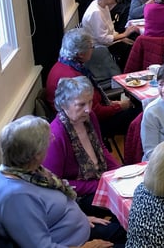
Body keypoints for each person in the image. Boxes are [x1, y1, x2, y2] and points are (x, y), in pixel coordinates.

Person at [0, 115, 126, 248]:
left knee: (131, 231)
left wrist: (82, 219)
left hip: (80, 230)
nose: (52, 140)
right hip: (75, 244)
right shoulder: (17, 197)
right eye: (48, 140)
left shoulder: (23, 169)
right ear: (35, 155)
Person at [43, 76, 120, 216]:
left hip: (100, 181)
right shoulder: (55, 135)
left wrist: (117, 172)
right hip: (77, 196)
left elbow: (100, 148)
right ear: (64, 104)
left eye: (90, 102)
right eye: (81, 104)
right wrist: (100, 185)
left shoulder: (90, 118)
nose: (88, 109)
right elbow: (56, 183)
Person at [46, 29, 138, 139]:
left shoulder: (61, 65)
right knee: (138, 114)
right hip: (86, 125)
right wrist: (120, 106)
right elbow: (94, 113)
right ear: (80, 54)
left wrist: (112, 103)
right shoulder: (74, 78)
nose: (93, 50)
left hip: (79, 118)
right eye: (91, 47)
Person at [82, 0, 138, 70]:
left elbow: (111, 30)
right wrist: (123, 35)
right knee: (129, 50)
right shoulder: (95, 12)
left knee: (133, 40)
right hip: (98, 48)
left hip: (108, 42)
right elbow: (103, 39)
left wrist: (122, 38)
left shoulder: (103, 6)